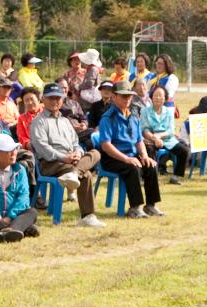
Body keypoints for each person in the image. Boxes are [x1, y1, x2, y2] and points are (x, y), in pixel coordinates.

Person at [29, 83, 106, 227]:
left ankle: (75, 173)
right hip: (50, 163)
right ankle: (88, 216)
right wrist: (63, 157)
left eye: (58, 98)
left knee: (95, 152)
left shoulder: (65, 121)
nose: (55, 101)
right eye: (51, 98)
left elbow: (76, 142)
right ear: (43, 99)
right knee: (87, 175)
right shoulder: (38, 122)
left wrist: (77, 152)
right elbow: (42, 148)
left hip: (70, 161)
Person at [96, 84, 163, 218]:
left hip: (131, 155)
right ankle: (135, 207)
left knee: (151, 165)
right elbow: (106, 145)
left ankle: (151, 205)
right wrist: (126, 159)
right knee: (133, 168)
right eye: (124, 96)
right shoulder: (108, 118)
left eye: (130, 96)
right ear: (114, 97)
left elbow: (139, 141)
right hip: (112, 158)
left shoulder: (133, 117)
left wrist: (144, 156)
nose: (128, 99)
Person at [140, 85, 188, 184]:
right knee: (148, 149)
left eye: (161, 96)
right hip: (151, 139)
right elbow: (144, 129)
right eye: (155, 95)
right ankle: (149, 177)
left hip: (167, 139)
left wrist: (160, 136)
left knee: (184, 151)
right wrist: (154, 138)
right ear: (151, 97)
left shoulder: (168, 112)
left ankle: (176, 177)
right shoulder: (145, 111)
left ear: (165, 98)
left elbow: (171, 130)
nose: (158, 98)